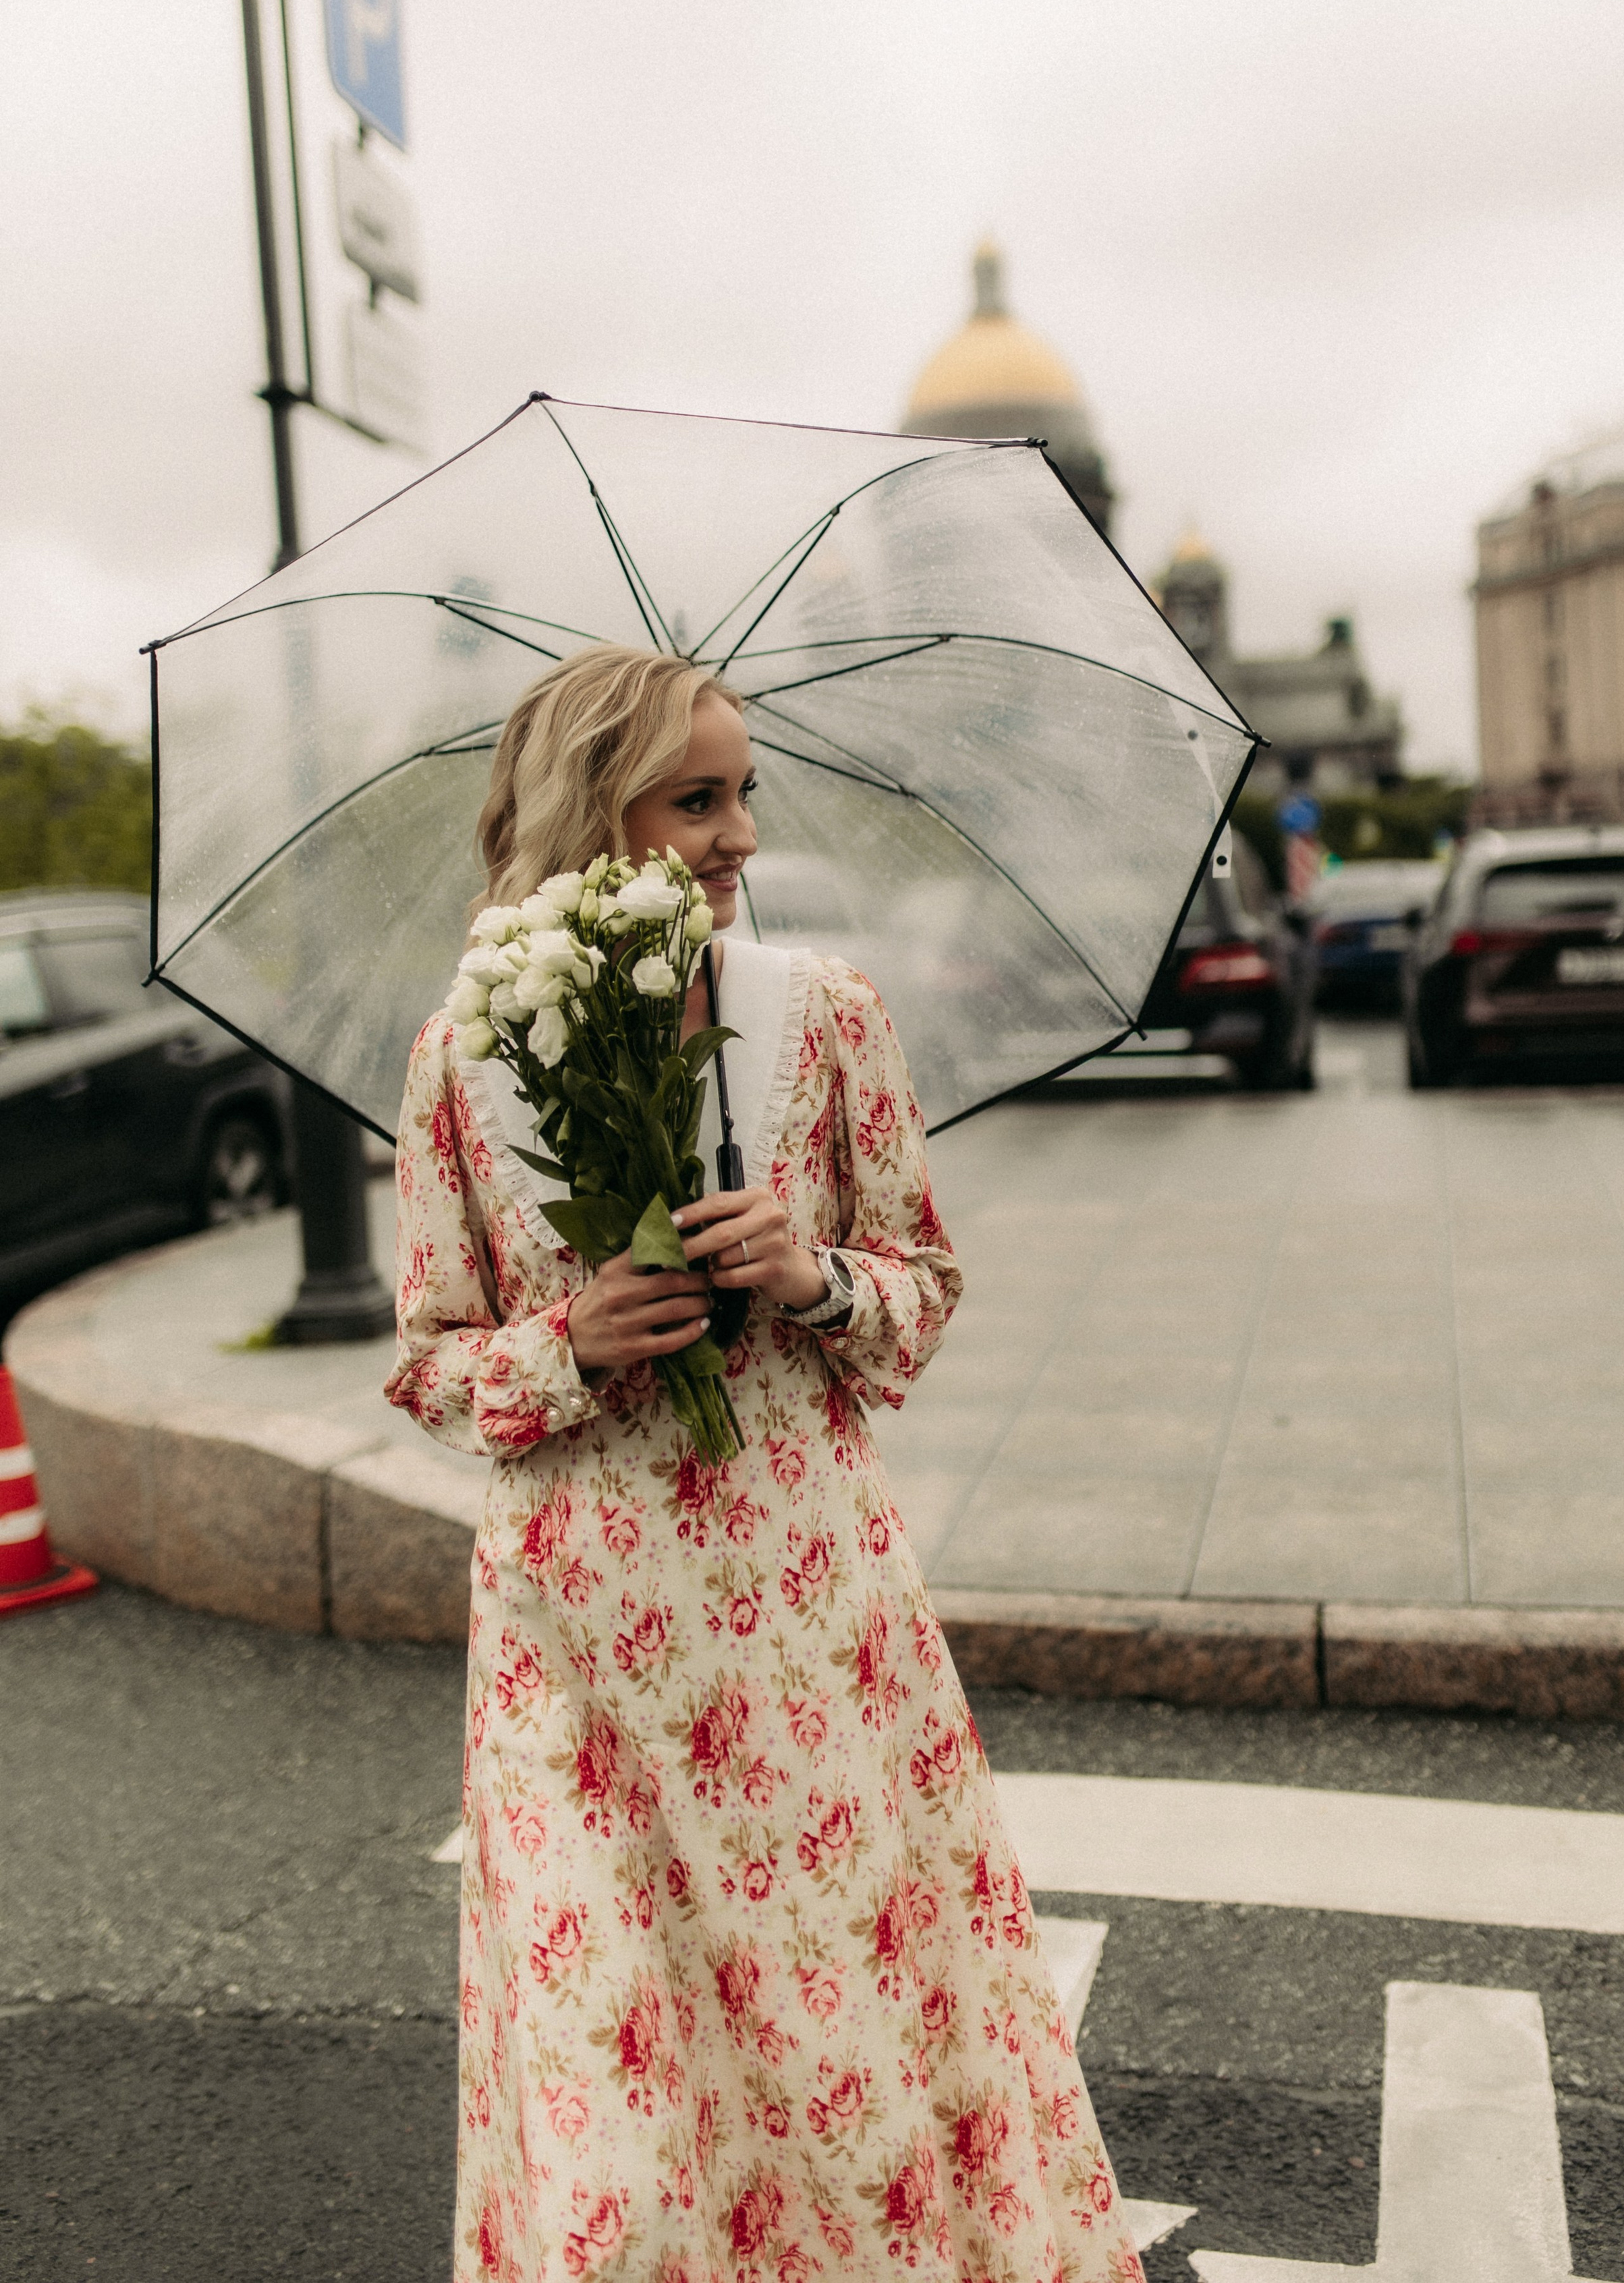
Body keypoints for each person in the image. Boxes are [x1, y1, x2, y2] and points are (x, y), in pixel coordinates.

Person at [387, 644, 1141, 2282]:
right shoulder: (465, 1050)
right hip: (576, 1636)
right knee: (610, 2080)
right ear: (595, 810)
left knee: (839, 2039)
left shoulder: (829, 1018)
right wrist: (568, 1343)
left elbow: (920, 1286)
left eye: (745, 795)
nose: (738, 836)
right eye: (696, 798)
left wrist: (810, 1276)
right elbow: (432, 1352)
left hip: (798, 1615)